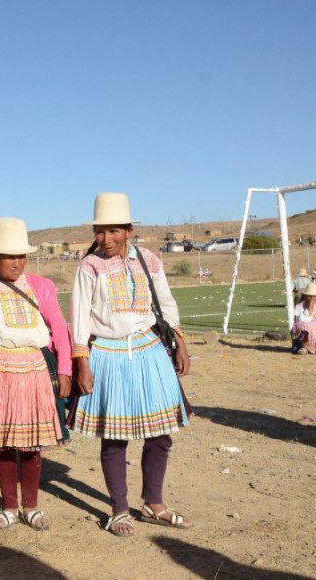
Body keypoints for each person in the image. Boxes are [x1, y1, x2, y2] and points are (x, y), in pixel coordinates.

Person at [71, 193, 193, 537]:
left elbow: (166, 304)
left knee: (160, 434)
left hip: (150, 350)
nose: (105, 240)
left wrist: (180, 343)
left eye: (113, 232)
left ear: (128, 231)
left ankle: (154, 504)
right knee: (115, 437)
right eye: (99, 232)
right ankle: (119, 510)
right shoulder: (89, 267)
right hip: (107, 354)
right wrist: (82, 362)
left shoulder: (149, 260)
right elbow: (79, 317)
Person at [0, 218, 72, 531]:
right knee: (4, 442)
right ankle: (9, 507)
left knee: (32, 442)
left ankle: (31, 508)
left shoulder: (43, 286)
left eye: (21, 256)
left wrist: (65, 369)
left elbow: (60, 328)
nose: (17, 262)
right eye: (9, 256)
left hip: (35, 368)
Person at [292, 283, 316, 353]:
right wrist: (310, 308)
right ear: (305, 296)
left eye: (313, 296)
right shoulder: (299, 307)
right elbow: (303, 321)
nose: (312, 298)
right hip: (304, 333)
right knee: (305, 327)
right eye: (309, 296)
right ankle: (304, 347)